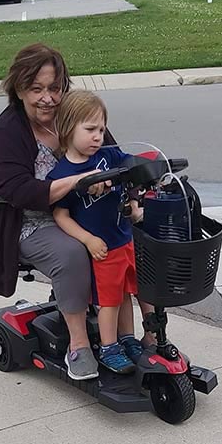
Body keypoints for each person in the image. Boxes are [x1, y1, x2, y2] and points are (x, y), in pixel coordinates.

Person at [0, 43, 112, 381]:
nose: (48, 99)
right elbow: (17, 191)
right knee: (73, 253)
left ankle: (133, 336)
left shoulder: (75, 114)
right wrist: (78, 180)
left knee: (129, 238)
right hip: (27, 221)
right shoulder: (6, 131)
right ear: (19, 88)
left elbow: (111, 155)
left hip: (82, 213)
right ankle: (79, 346)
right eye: (36, 89)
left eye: (54, 88)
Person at [47, 90, 145, 374]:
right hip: (102, 249)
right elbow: (61, 216)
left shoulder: (109, 155)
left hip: (124, 239)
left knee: (126, 294)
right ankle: (108, 347)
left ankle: (127, 339)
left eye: (101, 129)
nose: (98, 137)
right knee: (109, 302)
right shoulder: (62, 175)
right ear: (68, 128)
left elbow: (132, 170)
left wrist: (136, 200)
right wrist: (88, 240)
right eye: (90, 129)